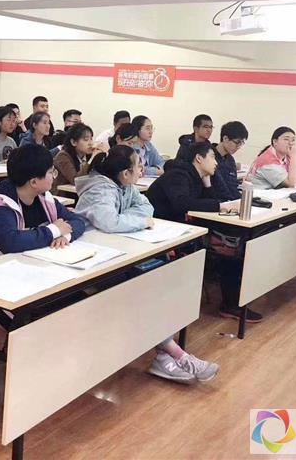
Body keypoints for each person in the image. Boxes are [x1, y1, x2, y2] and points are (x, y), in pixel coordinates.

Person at [74, 146, 219, 384]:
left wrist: (131, 220)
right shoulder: (100, 189)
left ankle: (165, 355)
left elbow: (146, 206)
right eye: (138, 165)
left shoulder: (125, 186)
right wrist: (140, 222)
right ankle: (175, 355)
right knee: (142, 289)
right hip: (93, 262)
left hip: (119, 252)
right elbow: (110, 222)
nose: (142, 169)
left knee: (156, 279)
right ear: (125, 173)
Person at [0, 144, 87, 330]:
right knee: (43, 310)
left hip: (28, 269)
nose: (54, 176)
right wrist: (54, 230)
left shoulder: (44, 198)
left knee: (75, 296)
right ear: (34, 182)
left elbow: (77, 220)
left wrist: (66, 236)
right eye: (51, 172)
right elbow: (11, 242)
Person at [146, 142, 254, 322]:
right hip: (161, 230)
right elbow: (182, 203)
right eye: (212, 157)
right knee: (228, 247)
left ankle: (232, 302)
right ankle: (230, 304)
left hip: (182, 227)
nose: (216, 162)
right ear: (198, 158)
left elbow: (206, 204)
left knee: (232, 242)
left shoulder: (197, 176)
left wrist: (208, 184)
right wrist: (220, 206)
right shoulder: (179, 175)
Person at [52, 123, 95, 194]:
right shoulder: (63, 156)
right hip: (62, 195)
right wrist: (92, 159)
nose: (90, 143)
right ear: (73, 142)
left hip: (81, 193)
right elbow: (75, 180)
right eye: (86, 139)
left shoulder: (88, 155)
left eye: (91, 139)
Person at [211, 121, 248, 202]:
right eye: (237, 142)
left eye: (241, 143)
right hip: (215, 202)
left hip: (230, 202)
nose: (238, 147)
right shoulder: (208, 156)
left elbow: (233, 186)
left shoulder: (230, 160)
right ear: (225, 139)